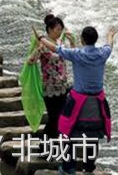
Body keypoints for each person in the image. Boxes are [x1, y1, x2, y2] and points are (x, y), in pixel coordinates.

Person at [36, 24, 116, 175]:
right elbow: (109, 45)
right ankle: (89, 169)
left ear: (82, 40)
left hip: (77, 103)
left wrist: (40, 38)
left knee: (68, 134)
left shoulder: (77, 54)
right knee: (92, 138)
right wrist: (111, 35)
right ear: (95, 40)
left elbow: (56, 49)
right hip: (97, 103)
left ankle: (69, 168)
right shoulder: (103, 53)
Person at [27, 14, 73, 139]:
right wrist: (38, 48)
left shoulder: (60, 43)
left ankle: (53, 146)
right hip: (50, 87)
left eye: (61, 29)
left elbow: (71, 55)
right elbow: (30, 61)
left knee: (61, 117)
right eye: (57, 29)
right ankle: (45, 147)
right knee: (53, 117)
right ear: (50, 29)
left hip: (63, 86)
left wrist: (72, 41)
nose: (59, 32)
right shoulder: (43, 45)